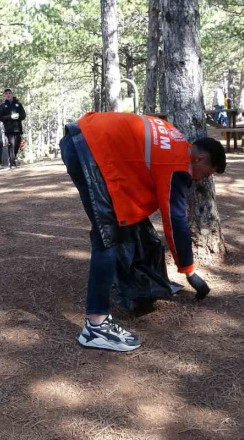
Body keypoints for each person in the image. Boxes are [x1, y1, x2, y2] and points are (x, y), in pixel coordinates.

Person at [60, 112, 226, 352]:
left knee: (124, 221)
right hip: (87, 150)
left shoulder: (176, 140)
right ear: (199, 159)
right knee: (107, 236)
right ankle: (95, 327)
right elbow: (175, 220)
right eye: (207, 174)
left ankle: (140, 281)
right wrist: (188, 270)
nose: (201, 180)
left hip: (86, 139)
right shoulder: (177, 166)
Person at [0, 88, 26, 168]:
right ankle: (12, 163)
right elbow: (1, 118)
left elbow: (23, 115)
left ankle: (13, 158)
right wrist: (10, 117)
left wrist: (18, 116)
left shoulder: (18, 104)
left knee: (17, 144)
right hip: (9, 129)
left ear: (12, 94)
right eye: (6, 93)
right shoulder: (3, 105)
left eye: (9, 93)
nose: (8, 94)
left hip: (18, 128)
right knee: (12, 144)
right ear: (5, 95)